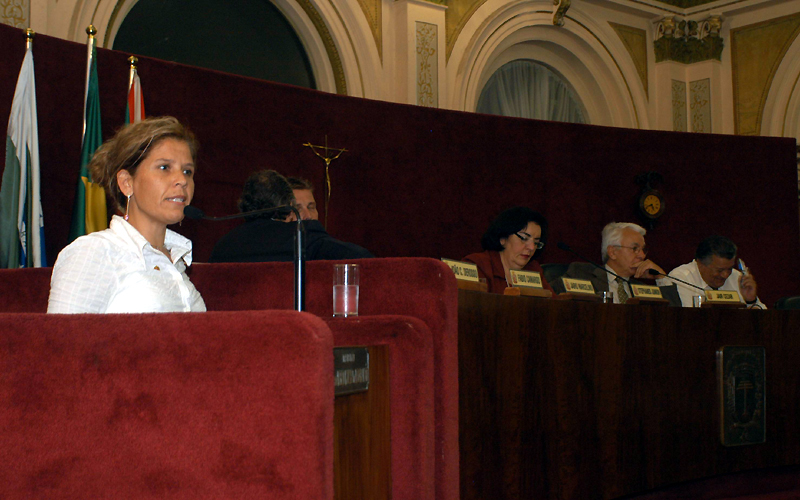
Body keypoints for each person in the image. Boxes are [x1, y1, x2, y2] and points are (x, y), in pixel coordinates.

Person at [48, 116, 206, 313]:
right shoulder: (95, 252)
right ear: (126, 183)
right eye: (164, 168)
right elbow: (60, 340)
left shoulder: (177, 262)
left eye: (187, 171)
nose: (182, 180)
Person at [209, 169, 373, 262]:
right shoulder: (302, 236)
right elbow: (365, 259)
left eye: (311, 207)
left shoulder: (222, 246)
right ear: (287, 206)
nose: (307, 215)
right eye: (297, 207)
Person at [552, 222, 681, 305]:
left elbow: (672, 318)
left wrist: (661, 277)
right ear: (612, 252)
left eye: (643, 250)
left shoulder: (641, 287)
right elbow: (552, 298)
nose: (642, 255)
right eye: (635, 249)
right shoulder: (581, 273)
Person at [462, 206, 554, 294]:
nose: (532, 247)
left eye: (536, 243)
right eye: (524, 238)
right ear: (503, 238)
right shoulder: (479, 265)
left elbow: (553, 306)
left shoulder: (533, 269)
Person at [668, 235, 764, 308]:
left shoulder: (737, 278)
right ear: (700, 264)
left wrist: (751, 300)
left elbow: (765, 321)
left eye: (729, 269)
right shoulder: (680, 278)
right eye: (720, 270)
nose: (726, 275)